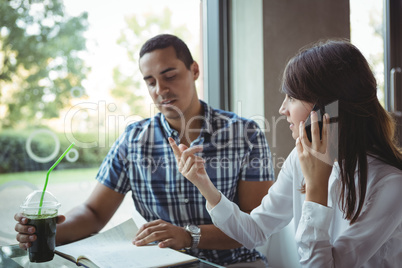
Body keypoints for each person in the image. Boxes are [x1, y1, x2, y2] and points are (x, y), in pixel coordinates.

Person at [14, 34, 275, 267]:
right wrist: (47, 232)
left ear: (194, 70)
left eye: (169, 76)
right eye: (150, 82)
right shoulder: (134, 139)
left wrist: (188, 236)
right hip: (162, 262)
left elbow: (253, 226)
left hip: (236, 263)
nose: (160, 90)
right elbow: (94, 213)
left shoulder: (245, 134)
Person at [170, 39, 402, 267]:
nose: (282, 110)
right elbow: (255, 231)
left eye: (292, 97)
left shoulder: (391, 184)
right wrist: (204, 184)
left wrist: (316, 187)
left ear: (327, 106)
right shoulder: (300, 158)